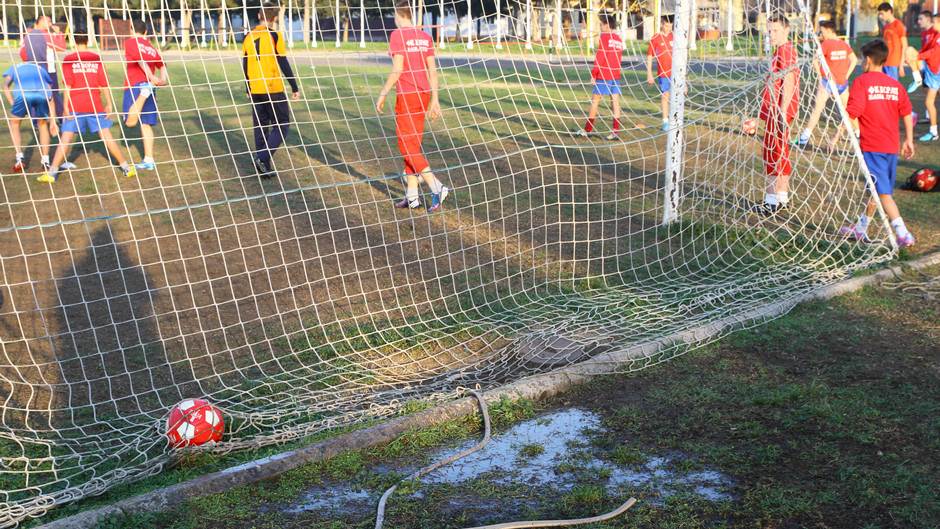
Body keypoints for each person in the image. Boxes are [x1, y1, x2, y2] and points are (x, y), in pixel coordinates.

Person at [840, 39, 916, 248]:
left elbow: (853, 111)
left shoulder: (862, 82)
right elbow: (907, 112)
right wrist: (908, 139)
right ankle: (862, 227)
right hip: (891, 146)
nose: (862, 62)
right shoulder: (895, 84)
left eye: (863, 59)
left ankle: (903, 233)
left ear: (870, 60)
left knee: (882, 193)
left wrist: (837, 134)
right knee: (876, 189)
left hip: (873, 146)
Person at [376, 0, 449, 212]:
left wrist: (383, 93)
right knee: (412, 145)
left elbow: (397, 69)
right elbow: (433, 71)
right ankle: (412, 196)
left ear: (400, 15)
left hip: (408, 95)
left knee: (406, 146)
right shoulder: (425, 37)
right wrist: (435, 99)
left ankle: (437, 187)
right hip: (424, 94)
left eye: (395, 15)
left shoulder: (397, 35)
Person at [37, 33, 137, 184]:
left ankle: (52, 173)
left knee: (65, 139)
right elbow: (103, 84)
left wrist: (65, 106)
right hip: (94, 104)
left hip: (75, 105)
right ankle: (126, 167)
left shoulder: (69, 59)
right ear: (87, 40)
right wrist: (109, 103)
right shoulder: (95, 58)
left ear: (73, 41)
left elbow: (68, 85)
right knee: (106, 136)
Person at [242, 1, 300, 178]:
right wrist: (294, 86)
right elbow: (283, 61)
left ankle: (264, 169)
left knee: (261, 127)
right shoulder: (275, 35)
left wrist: (248, 86)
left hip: (255, 88)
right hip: (272, 87)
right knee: (282, 124)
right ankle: (262, 157)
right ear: (274, 18)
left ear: (259, 16)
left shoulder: (248, 36)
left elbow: (245, 63)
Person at [751, 15, 799, 215]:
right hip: (778, 109)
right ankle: (782, 197)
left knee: (771, 151)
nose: (771, 34)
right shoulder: (780, 51)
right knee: (781, 151)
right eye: (769, 31)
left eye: (776, 30)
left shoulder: (785, 50)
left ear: (787, 30)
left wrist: (781, 111)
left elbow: (788, 80)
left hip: (778, 110)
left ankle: (770, 202)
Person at [797, 20, 857, 146]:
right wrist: (846, 76)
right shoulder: (844, 44)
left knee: (817, 109)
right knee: (848, 112)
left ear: (829, 31)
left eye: (822, 31)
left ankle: (804, 138)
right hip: (842, 84)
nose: (821, 34)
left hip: (827, 83)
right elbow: (854, 60)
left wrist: (820, 76)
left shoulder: (826, 43)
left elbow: (814, 60)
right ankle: (858, 134)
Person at [123, 18, 168, 170]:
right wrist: (163, 79)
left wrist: (151, 78)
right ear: (146, 32)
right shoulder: (151, 46)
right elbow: (162, 64)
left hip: (136, 85)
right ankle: (149, 160)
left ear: (131, 30)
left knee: (130, 122)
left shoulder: (130, 42)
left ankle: (143, 94)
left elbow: (140, 60)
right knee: (146, 124)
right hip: (150, 86)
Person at [3, 58, 57, 172]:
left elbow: (5, 85)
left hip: (22, 95)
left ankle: (19, 158)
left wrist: (12, 102)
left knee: (14, 124)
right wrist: (53, 120)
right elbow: (49, 91)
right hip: (41, 96)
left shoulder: (15, 66)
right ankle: (45, 161)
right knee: (42, 126)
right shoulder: (41, 68)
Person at [577, 13, 624, 140]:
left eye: (601, 24)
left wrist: (594, 74)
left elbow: (600, 57)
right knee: (615, 102)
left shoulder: (604, 37)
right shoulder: (619, 39)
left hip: (604, 74)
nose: (600, 27)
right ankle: (615, 131)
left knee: (595, 101)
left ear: (607, 25)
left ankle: (587, 129)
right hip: (616, 74)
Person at [903, 11, 940, 141]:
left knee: (929, 102)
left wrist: (917, 56)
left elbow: (934, 52)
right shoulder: (926, 33)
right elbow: (926, 50)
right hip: (930, 67)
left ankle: (934, 132)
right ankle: (918, 80)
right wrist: (916, 55)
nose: (919, 22)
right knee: (909, 52)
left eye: (934, 22)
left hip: (936, 71)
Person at [21, 16, 67, 119]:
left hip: (32, 70)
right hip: (48, 70)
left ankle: (36, 120)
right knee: (53, 95)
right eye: (49, 21)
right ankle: (59, 117)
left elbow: (22, 53)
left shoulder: (28, 35)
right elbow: (62, 47)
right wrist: (59, 34)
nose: (50, 23)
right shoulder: (45, 34)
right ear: (40, 22)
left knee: (35, 94)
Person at [646, 15, 674, 132]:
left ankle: (676, 119)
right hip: (663, 73)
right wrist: (649, 74)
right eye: (666, 25)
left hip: (676, 72)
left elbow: (682, 57)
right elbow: (649, 56)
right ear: (662, 24)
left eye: (670, 26)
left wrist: (685, 80)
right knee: (665, 96)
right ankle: (665, 122)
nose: (668, 28)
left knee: (678, 96)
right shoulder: (656, 38)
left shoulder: (675, 36)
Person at [877, 3, 907, 81]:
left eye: (882, 14)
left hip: (893, 63)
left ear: (889, 11)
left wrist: (901, 65)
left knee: (892, 87)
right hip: (884, 61)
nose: (880, 16)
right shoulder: (885, 27)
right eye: (879, 14)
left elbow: (904, 45)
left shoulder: (898, 25)